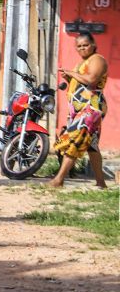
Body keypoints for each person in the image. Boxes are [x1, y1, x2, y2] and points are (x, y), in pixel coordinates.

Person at [51, 32, 109, 188]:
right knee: (92, 145)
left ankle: (59, 180)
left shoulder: (97, 59)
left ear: (93, 45)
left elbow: (92, 80)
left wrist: (71, 72)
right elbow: (82, 82)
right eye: (79, 46)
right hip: (81, 108)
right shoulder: (83, 62)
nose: (83, 48)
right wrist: (69, 78)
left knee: (76, 139)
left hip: (91, 107)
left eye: (86, 45)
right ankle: (101, 182)